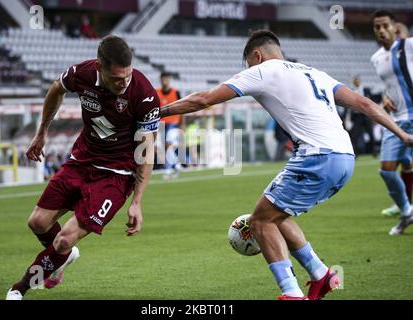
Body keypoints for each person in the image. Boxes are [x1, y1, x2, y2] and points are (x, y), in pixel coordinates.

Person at [160, 30, 413, 300]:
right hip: (345, 159)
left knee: (260, 221)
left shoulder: (262, 70)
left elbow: (203, 99)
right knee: (275, 214)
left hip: (317, 157)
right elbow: (364, 103)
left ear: (256, 56)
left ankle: (291, 293)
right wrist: (403, 135)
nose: (249, 69)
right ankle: (322, 275)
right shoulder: (316, 73)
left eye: (248, 63)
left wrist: (157, 112)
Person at [6, 35, 160, 300]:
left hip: (116, 175)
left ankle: (20, 288)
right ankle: (62, 258)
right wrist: (42, 132)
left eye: (128, 76)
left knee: (64, 239)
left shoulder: (144, 96)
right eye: (117, 79)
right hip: (81, 161)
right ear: (100, 67)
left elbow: (146, 151)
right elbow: (56, 88)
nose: (124, 84)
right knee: (38, 222)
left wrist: (137, 201)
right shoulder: (82, 73)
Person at [371, 10, 413, 230]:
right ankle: (407, 211)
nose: (381, 30)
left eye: (385, 26)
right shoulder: (376, 58)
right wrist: (386, 98)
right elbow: (390, 85)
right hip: (396, 120)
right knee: (386, 171)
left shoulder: (408, 46)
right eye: (377, 27)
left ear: (394, 27)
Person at [156, 72, 184, 179]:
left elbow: (182, 108)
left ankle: (168, 170)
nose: (164, 81)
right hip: (161, 124)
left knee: (169, 146)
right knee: (163, 147)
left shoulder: (175, 92)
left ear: (169, 80)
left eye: (166, 79)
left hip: (173, 123)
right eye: (163, 79)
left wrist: (182, 124)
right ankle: (177, 165)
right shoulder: (157, 92)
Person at [347, 75, 375, 156]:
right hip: (357, 116)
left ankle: (373, 151)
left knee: (371, 133)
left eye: (356, 80)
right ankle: (355, 153)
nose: (355, 82)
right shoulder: (352, 91)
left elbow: (371, 102)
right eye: (354, 81)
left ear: (359, 81)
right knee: (355, 135)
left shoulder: (366, 90)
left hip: (366, 115)